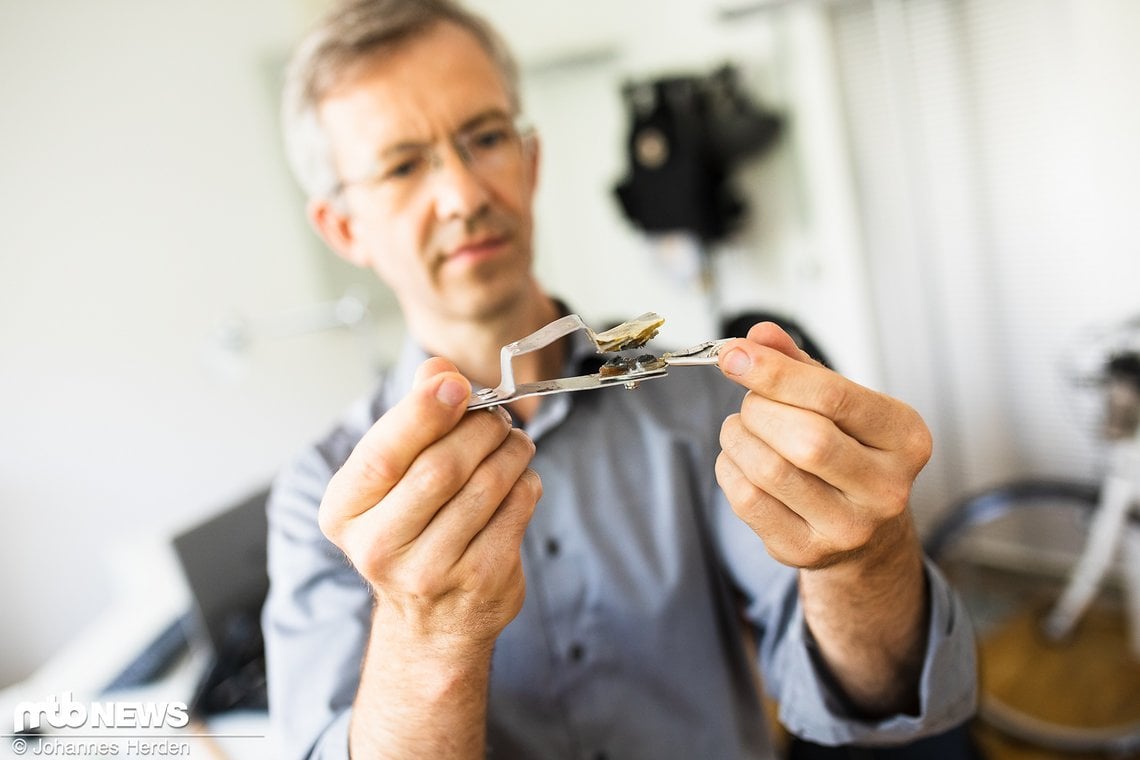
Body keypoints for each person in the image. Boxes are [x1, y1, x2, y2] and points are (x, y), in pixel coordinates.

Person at [262, 1, 977, 758]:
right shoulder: (326, 499)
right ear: (344, 228)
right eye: (403, 165)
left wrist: (865, 561)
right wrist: (423, 636)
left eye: (486, 138)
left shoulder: (695, 400)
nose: (464, 196)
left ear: (530, 161)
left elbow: (868, 694)